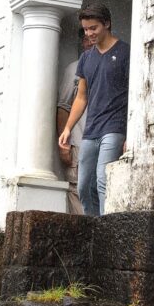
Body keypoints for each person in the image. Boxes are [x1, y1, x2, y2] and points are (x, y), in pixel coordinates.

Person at [58, 4, 130, 216]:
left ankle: (106, 228)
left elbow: (134, 94)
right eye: (86, 29)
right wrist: (67, 128)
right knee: (83, 185)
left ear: (107, 24)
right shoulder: (86, 59)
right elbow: (81, 97)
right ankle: (92, 226)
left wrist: (130, 134)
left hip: (115, 128)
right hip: (91, 131)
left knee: (102, 179)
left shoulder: (125, 53)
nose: (89, 34)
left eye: (93, 28)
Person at [56, 31, 93, 215]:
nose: (88, 43)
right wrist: (65, 144)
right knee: (76, 188)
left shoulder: (108, 66)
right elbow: (63, 107)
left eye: (91, 39)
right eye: (84, 39)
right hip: (78, 142)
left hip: (101, 141)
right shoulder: (74, 69)